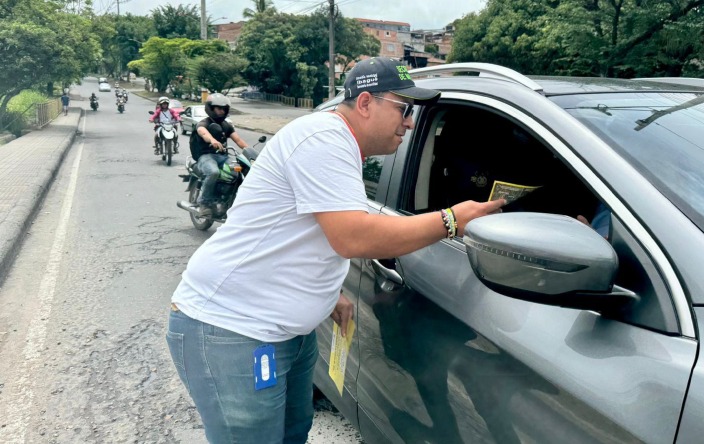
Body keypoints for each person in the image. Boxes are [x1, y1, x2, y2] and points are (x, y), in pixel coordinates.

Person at [166, 57, 505, 444]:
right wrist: (452, 220)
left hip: (285, 332)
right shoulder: (324, 139)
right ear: (365, 104)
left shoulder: (339, 145)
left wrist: (329, 294)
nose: (409, 123)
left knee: (292, 435)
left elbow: (305, 232)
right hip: (234, 329)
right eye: (404, 109)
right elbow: (354, 237)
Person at [190, 93, 248, 217]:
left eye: (223, 109)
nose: (221, 111)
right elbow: (203, 132)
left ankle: (227, 201)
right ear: (210, 108)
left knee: (238, 173)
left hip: (223, 157)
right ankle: (204, 203)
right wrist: (212, 140)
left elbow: (238, 140)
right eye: (218, 108)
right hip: (206, 156)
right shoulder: (203, 123)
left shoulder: (226, 125)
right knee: (213, 172)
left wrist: (252, 152)